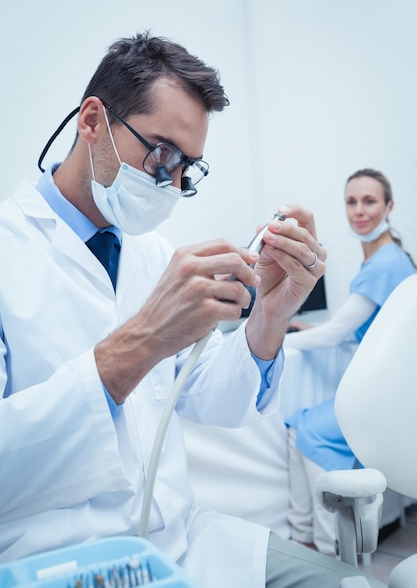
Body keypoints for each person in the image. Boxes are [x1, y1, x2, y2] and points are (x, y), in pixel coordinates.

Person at [0, 32, 385, 588]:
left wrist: (271, 314)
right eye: (161, 154)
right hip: (54, 560)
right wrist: (136, 346)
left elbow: (209, 397)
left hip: (183, 543)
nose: (172, 184)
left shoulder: (150, 254)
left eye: (188, 168)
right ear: (91, 122)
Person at [284, 169, 416, 555]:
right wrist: (305, 327)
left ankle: (326, 551)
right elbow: (359, 325)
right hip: (394, 395)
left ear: (389, 207)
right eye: (351, 201)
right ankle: (303, 536)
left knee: (308, 431)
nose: (359, 211)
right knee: (298, 425)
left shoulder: (387, 262)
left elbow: (334, 334)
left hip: (388, 403)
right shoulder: (387, 260)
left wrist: (275, 335)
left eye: (369, 201)